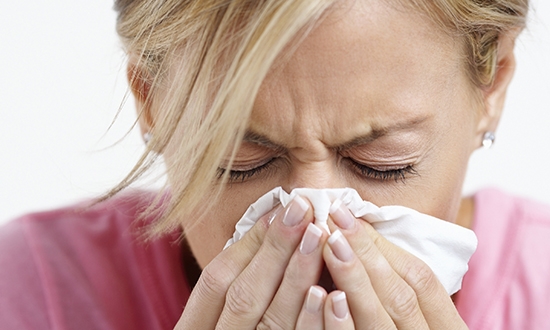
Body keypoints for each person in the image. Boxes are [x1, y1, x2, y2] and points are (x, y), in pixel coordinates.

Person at [1, 0, 548, 329]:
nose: (313, 222)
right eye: (241, 162)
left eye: (381, 163)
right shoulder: (34, 288)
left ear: (492, 85)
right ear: (152, 103)